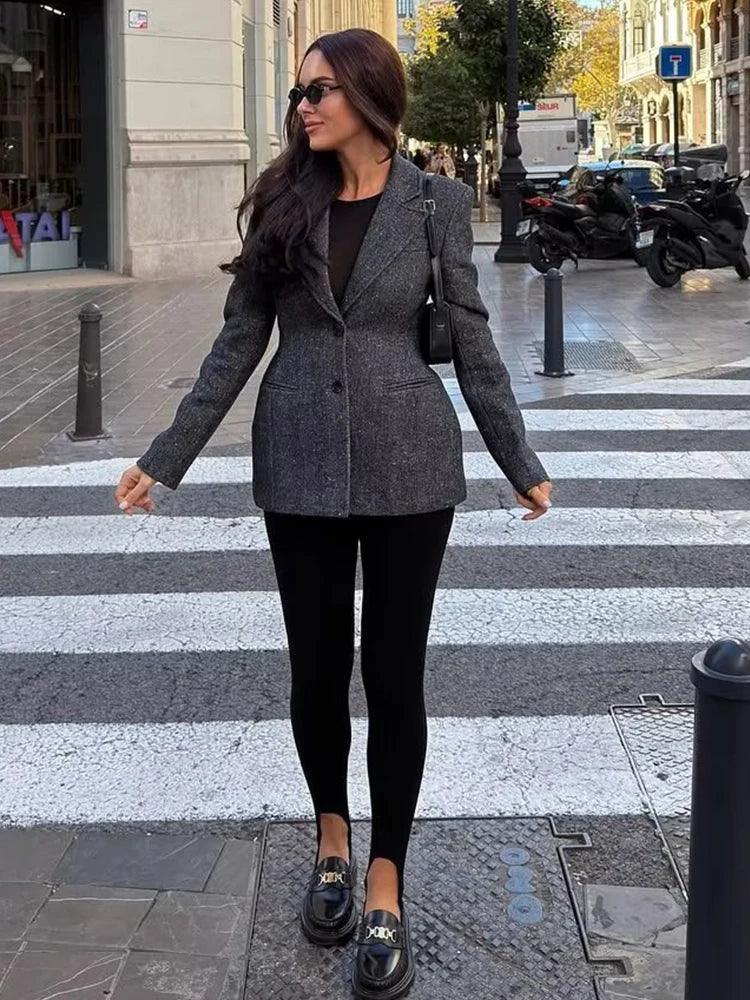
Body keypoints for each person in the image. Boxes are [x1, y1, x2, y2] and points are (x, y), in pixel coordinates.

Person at [114, 26, 552, 1000]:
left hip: (411, 464)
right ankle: (331, 840)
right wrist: (166, 458)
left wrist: (518, 460)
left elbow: (473, 341)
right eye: (300, 93)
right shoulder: (283, 201)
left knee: (394, 678)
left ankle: (386, 877)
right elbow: (236, 345)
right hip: (299, 460)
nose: (304, 106)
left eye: (320, 90)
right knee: (318, 671)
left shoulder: (435, 203)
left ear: (368, 95)